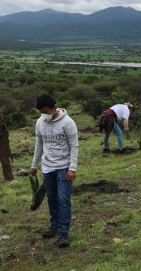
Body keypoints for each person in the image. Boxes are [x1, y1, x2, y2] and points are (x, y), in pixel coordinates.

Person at [30, 94, 79, 248]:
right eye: (41, 112)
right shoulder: (40, 122)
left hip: (64, 166)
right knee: (51, 198)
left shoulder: (68, 123)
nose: (43, 115)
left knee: (63, 199)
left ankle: (63, 234)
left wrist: (72, 168)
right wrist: (34, 165)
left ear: (54, 108)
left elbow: (74, 146)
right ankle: (54, 226)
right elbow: (39, 144)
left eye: (46, 111)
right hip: (47, 167)